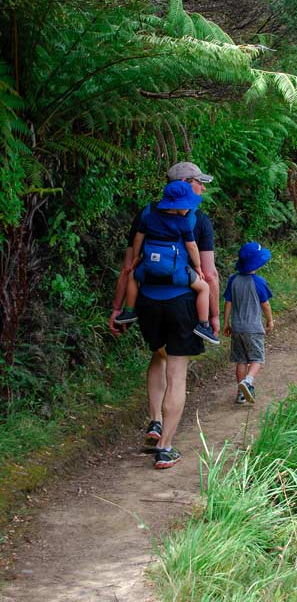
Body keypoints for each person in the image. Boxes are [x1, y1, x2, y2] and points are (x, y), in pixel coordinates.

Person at [109, 162, 220, 469]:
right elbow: (208, 273)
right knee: (177, 372)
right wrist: (213, 317)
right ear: (185, 183)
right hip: (182, 304)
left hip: (146, 303)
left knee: (158, 357)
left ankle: (155, 421)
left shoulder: (146, 214)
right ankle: (166, 448)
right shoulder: (197, 220)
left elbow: (128, 266)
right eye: (199, 182)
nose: (203, 187)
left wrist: (119, 308)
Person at [113, 180, 216, 343]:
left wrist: (136, 258)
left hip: (149, 270)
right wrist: (197, 267)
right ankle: (203, 325)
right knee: (204, 288)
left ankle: (129, 310)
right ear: (178, 205)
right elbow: (191, 247)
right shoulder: (183, 223)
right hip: (176, 273)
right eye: (187, 205)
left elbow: (138, 240)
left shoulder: (150, 218)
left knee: (133, 276)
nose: (189, 208)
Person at [223, 242, 274, 404]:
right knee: (257, 358)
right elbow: (265, 304)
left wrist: (226, 323)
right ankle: (248, 381)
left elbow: (228, 303)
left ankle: (240, 393)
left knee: (241, 360)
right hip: (253, 328)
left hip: (237, 327)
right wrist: (270, 320)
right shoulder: (259, 282)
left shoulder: (233, 280)